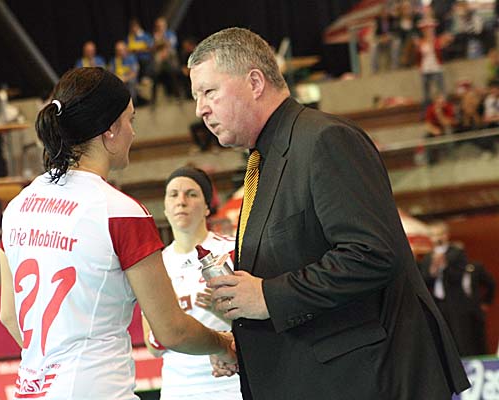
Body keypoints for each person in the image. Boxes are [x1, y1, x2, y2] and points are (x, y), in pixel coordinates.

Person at [188, 27, 470, 399]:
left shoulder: (324, 139)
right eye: (196, 97)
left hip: (368, 383)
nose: (200, 109)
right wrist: (244, 342)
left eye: (209, 92)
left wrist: (268, 296)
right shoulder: (267, 158)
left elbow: (371, 253)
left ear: (255, 82)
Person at [0, 67, 235, 400]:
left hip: (31, 390)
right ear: (110, 129)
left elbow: (9, 316)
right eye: (130, 120)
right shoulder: (120, 212)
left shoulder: (17, 207)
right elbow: (171, 330)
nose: (133, 133)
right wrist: (224, 344)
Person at [142, 167, 241, 400]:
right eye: (173, 194)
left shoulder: (232, 250)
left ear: (207, 207)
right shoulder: (154, 265)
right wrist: (171, 322)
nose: (181, 201)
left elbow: (258, 323)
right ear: (165, 208)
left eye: (191, 194)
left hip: (231, 382)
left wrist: (224, 317)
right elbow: (152, 346)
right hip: (179, 388)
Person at [419, 222, 496, 356]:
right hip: (438, 303)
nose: (437, 238)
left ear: (446, 235)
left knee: (460, 337)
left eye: (440, 234)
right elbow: (425, 280)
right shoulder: (427, 258)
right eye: (433, 235)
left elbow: (458, 276)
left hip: (456, 303)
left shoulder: (456, 253)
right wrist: (434, 269)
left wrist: (444, 265)